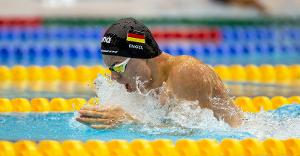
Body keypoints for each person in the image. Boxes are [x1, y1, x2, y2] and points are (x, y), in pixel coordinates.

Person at [76, 18, 243, 129]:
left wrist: (127, 121)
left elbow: (193, 133)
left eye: (118, 67)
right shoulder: (144, 85)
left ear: (142, 56)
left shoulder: (186, 72)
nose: (114, 77)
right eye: (110, 70)